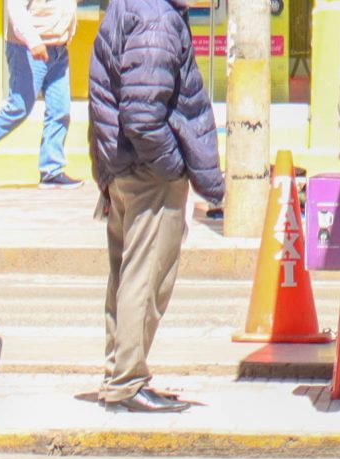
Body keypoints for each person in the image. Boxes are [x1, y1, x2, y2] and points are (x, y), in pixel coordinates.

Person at [89, 0, 223, 412]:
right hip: (148, 174)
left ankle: (118, 374)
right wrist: (173, 166)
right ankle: (127, 382)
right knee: (146, 280)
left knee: (127, 276)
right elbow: (142, 115)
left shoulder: (135, 8)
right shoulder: (158, 19)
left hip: (122, 166)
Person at [0, 0, 78, 187]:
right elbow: (16, 9)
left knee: (60, 109)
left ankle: (51, 170)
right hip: (28, 48)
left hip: (59, 47)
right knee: (19, 106)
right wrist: (34, 41)